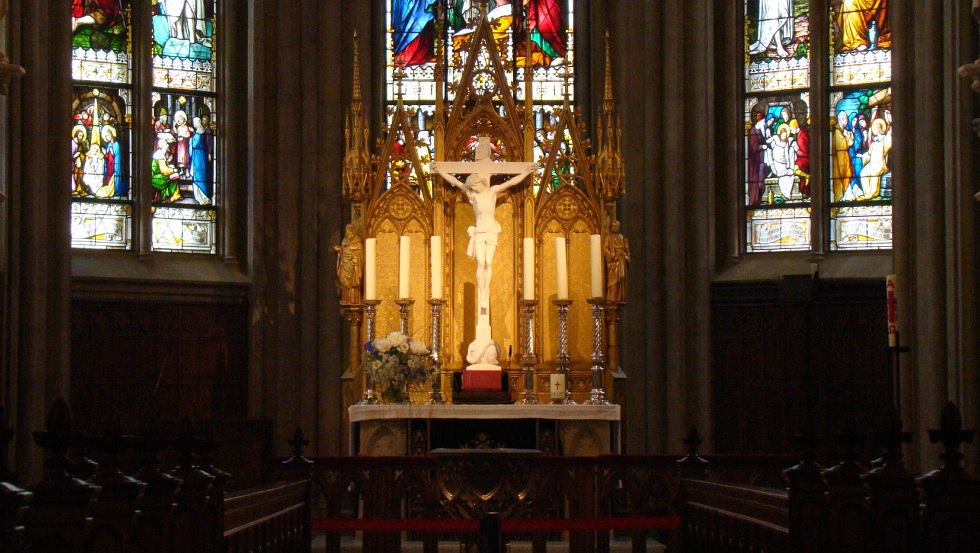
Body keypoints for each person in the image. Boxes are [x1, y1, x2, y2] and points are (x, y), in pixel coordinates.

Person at [430, 141, 537, 319]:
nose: (473, 187)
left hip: (492, 229)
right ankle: (482, 293)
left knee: (488, 262)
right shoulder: (472, 195)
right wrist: (440, 170)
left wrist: (526, 172)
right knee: (481, 262)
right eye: (471, 187)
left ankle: (485, 290)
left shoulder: (493, 191)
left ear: (479, 182)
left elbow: (512, 182)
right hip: (479, 231)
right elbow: (455, 182)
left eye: (474, 185)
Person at [858, 118, 891, 199]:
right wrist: (862, 157)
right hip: (872, 164)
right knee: (863, 173)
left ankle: (874, 192)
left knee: (874, 172)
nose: (874, 130)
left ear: (880, 128)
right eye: (874, 128)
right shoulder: (875, 141)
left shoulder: (885, 139)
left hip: (881, 164)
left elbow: (888, 148)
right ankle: (867, 193)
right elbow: (869, 154)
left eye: (876, 127)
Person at [765, 123, 798, 200]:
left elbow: (786, 154)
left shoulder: (786, 142)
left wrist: (788, 164)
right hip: (776, 162)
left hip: (783, 163)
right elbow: (767, 141)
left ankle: (786, 193)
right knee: (781, 173)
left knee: (788, 174)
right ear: (780, 134)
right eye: (783, 136)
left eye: (785, 136)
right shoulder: (776, 137)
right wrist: (768, 136)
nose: (784, 137)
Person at [333, 224, 364, 305]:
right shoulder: (344, 240)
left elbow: (360, 250)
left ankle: (354, 300)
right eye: (348, 229)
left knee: (353, 282)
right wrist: (340, 249)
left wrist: (351, 252)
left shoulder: (357, 240)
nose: (350, 230)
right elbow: (343, 249)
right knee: (344, 282)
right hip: (345, 264)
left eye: (351, 229)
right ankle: (346, 299)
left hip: (353, 264)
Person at [603, 221, 630, 304]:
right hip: (613, 263)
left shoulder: (622, 237)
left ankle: (620, 296)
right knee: (613, 281)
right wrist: (613, 257)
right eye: (613, 226)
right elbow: (605, 248)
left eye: (616, 226)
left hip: (621, 261)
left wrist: (625, 255)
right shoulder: (608, 237)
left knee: (621, 280)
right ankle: (612, 296)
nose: (615, 228)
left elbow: (627, 250)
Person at [832, 110, 854, 202]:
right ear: (839, 119)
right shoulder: (837, 131)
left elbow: (850, 142)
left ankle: (846, 196)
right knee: (841, 176)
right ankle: (841, 197)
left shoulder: (842, 130)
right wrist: (848, 137)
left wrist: (848, 137)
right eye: (844, 118)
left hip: (844, 156)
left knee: (847, 174)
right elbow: (842, 144)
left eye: (846, 118)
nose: (846, 120)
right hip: (839, 158)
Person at [151, 135, 181, 202]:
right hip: (156, 178)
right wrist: (173, 170)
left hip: (158, 175)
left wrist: (168, 162)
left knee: (174, 176)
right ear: (163, 146)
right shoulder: (159, 155)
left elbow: (162, 167)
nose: (167, 145)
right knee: (175, 176)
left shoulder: (160, 153)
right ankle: (169, 197)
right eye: (166, 144)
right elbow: (164, 170)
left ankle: (171, 196)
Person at [190, 117, 210, 204]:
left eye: (194, 123)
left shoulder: (199, 133)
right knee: (199, 174)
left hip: (198, 157)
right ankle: (201, 198)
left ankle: (203, 198)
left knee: (198, 175)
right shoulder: (199, 132)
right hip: (199, 156)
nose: (194, 124)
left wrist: (191, 140)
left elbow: (195, 144)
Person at [100, 125, 124, 198]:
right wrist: (105, 153)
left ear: (112, 133)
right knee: (108, 178)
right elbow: (108, 157)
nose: (107, 137)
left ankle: (115, 188)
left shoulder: (116, 144)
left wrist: (109, 153)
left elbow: (116, 155)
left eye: (108, 134)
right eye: (106, 136)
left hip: (115, 164)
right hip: (110, 165)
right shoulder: (109, 144)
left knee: (115, 177)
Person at [71, 125, 89, 196]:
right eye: (80, 135)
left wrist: (82, 156)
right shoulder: (72, 143)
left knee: (80, 176)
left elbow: (83, 153)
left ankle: (79, 189)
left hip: (80, 166)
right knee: (74, 177)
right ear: (76, 135)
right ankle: (74, 189)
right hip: (72, 166)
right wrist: (75, 156)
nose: (81, 137)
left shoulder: (81, 144)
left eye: (82, 136)